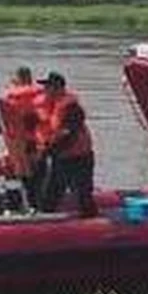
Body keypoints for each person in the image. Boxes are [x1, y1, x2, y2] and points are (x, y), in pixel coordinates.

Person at [33, 72, 97, 217]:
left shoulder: (71, 107)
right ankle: (45, 220)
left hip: (80, 158)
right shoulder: (52, 105)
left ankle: (91, 222)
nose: (45, 90)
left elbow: (69, 134)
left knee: (83, 194)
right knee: (51, 193)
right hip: (62, 158)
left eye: (48, 86)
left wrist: (47, 152)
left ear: (58, 88)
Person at [0, 66, 43, 211]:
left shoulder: (8, 97)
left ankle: (11, 206)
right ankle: (34, 205)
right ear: (30, 78)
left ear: (16, 80)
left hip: (15, 144)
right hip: (33, 143)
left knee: (13, 175)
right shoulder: (39, 95)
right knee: (34, 176)